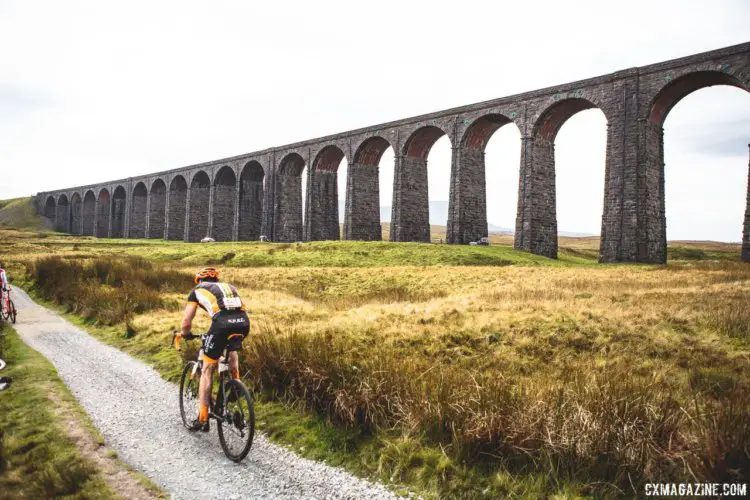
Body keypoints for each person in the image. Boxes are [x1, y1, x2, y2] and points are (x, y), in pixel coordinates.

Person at [177, 267, 250, 431]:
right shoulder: (230, 287)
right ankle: (236, 382)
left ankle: (202, 417)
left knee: (207, 369)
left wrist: (185, 333)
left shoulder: (196, 291)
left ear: (199, 281)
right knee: (231, 349)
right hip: (244, 322)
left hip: (222, 325)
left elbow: (187, 322)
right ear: (217, 280)